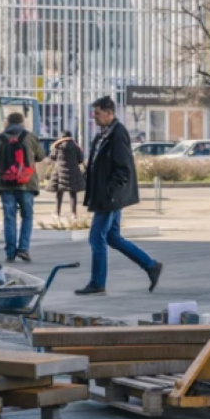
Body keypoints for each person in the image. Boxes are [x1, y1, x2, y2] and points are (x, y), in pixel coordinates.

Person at [75, 96, 163, 296]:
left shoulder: (117, 133)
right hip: (105, 196)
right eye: (94, 113)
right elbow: (99, 164)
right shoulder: (103, 134)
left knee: (96, 238)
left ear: (109, 113)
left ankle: (97, 283)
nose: (94, 117)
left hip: (109, 198)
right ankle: (150, 265)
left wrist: (111, 194)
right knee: (112, 237)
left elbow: (123, 169)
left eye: (97, 113)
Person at [0, 112, 45, 262]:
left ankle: (10, 252)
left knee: (9, 218)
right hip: (27, 184)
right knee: (27, 216)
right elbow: (41, 156)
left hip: (6, 186)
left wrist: (1, 172)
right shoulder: (30, 137)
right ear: (22, 122)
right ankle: (23, 249)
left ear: (7, 122)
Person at [45, 130, 86, 221]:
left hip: (59, 172)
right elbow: (80, 159)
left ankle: (57, 213)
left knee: (59, 193)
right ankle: (74, 214)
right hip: (73, 171)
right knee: (73, 193)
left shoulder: (57, 146)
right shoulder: (76, 146)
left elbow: (52, 157)